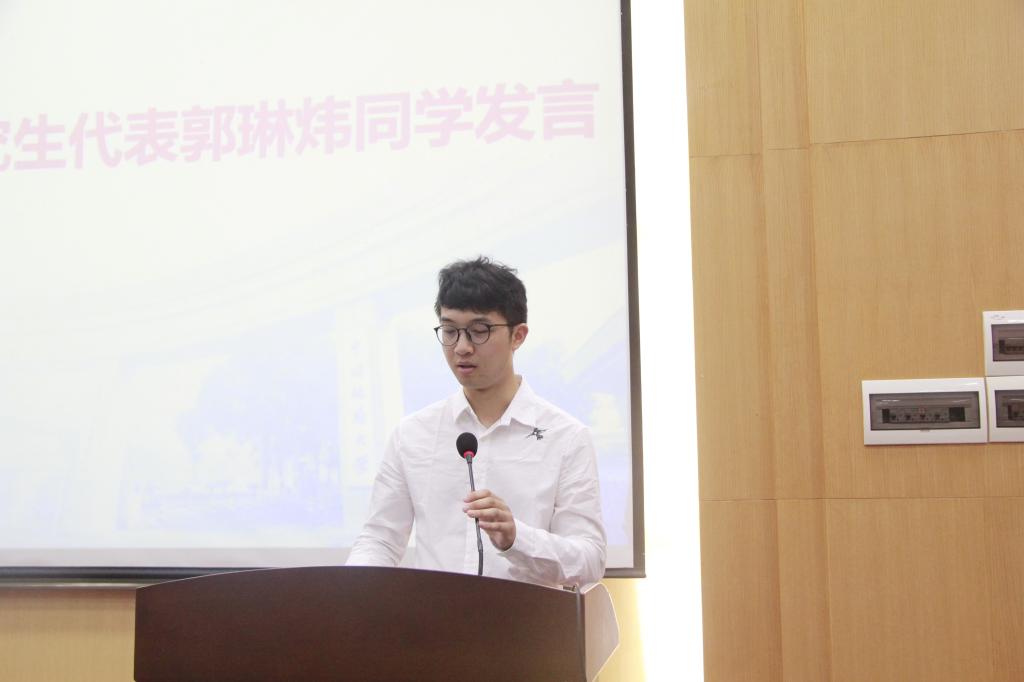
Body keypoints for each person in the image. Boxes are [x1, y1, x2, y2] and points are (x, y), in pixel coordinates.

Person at [346, 257, 606, 587]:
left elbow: (590, 559)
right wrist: (349, 590)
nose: (462, 347)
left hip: (525, 619)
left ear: (518, 335)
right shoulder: (412, 434)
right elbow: (380, 540)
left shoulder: (566, 437)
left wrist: (517, 538)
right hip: (432, 618)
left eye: (479, 331)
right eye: (450, 331)